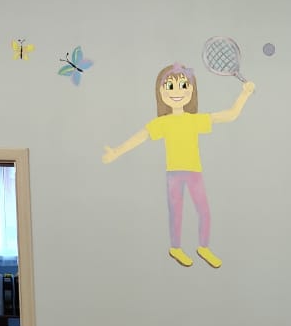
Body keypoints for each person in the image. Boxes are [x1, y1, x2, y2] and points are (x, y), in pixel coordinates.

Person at [103, 62, 255, 269]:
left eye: (183, 86)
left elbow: (229, 115)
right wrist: (117, 151)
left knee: (204, 211)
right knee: (176, 212)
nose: (177, 92)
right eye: (170, 87)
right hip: (174, 174)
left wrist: (245, 94)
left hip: (194, 173)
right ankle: (176, 248)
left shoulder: (195, 120)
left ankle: (203, 247)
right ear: (161, 92)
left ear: (191, 90)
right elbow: (140, 137)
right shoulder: (162, 123)